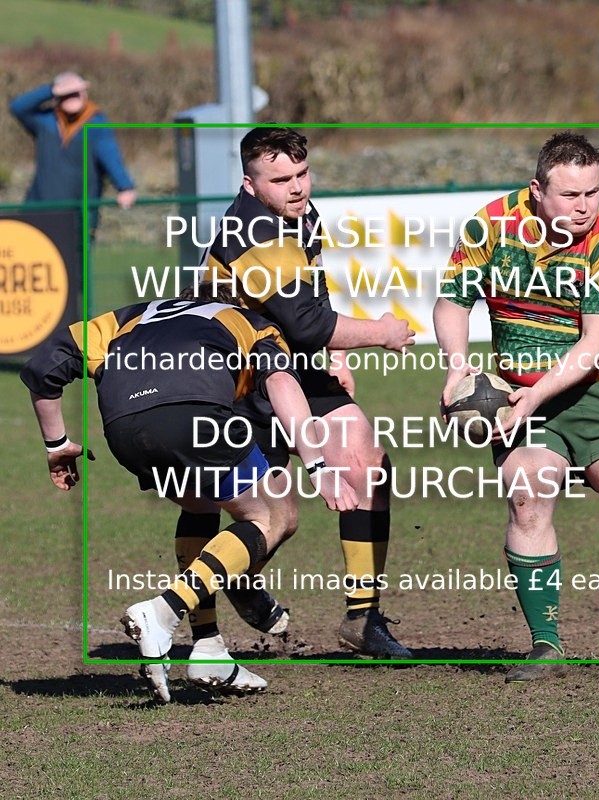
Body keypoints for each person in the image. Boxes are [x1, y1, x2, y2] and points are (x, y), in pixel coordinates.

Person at [433, 131, 599, 681]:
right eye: (570, 196)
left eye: (594, 193)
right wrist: (458, 363)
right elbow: (452, 301)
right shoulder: (490, 225)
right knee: (528, 499)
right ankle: (547, 644)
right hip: (516, 394)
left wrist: (534, 395)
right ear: (537, 191)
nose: (585, 207)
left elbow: (593, 346)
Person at [20, 287, 358, 702]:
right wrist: (318, 466)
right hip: (193, 413)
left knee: (200, 500)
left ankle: (209, 647)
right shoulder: (250, 321)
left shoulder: (127, 317)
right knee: (274, 518)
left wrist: (57, 445)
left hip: (124, 429)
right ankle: (163, 610)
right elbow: (283, 383)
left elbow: (42, 368)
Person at [198, 125, 415, 659]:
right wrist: (380, 333)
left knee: (366, 462)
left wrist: (336, 356)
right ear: (250, 185)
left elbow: (310, 301)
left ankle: (363, 620)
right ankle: (219, 599)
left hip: (289, 365)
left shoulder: (302, 216)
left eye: (302, 174)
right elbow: (310, 321)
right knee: (263, 513)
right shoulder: (250, 234)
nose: (296, 187)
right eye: (280, 180)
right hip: (231, 378)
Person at [10, 71, 137, 234]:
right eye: (66, 94)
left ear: (85, 94)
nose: (72, 98)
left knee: (76, 258)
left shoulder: (96, 124)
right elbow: (18, 107)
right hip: (39, 210)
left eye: (76, 93)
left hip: (78, 214)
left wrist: (125, 186)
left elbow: (111, 157)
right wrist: (52, 90)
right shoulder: (45, 121)